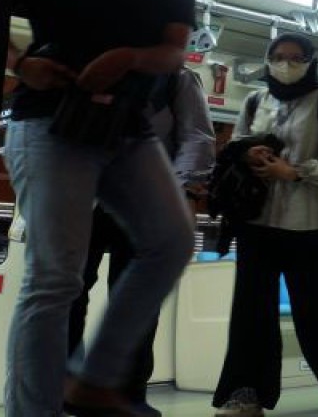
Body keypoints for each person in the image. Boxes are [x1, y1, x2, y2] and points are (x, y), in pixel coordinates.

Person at [4, 0, 211, 417]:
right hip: (49, 119)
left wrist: (130, 58)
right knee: (55, 278)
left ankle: (94, 379)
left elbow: (174, 51)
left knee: (173, 241)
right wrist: (22, 65)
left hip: (126, 124)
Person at [213, 33, 318, 416]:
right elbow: (238, 143)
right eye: (279, 56)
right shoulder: (254, 100)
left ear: (310, 62)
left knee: (316, 307)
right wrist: (249, 153)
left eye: (296, 58)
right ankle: (246, 390)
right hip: (259, 219)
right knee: (251, 309)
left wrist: (295, 171)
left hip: (315, 223)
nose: (286, 64)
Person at [67, 67, 217, 417]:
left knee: (136, 295)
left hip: (144, 195)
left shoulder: (176, 78)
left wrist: (181, 190)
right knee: (67, 292)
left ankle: (127, 395)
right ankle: (66, 387)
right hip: (86, 194)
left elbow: (196, 136)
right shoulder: (91, 66)